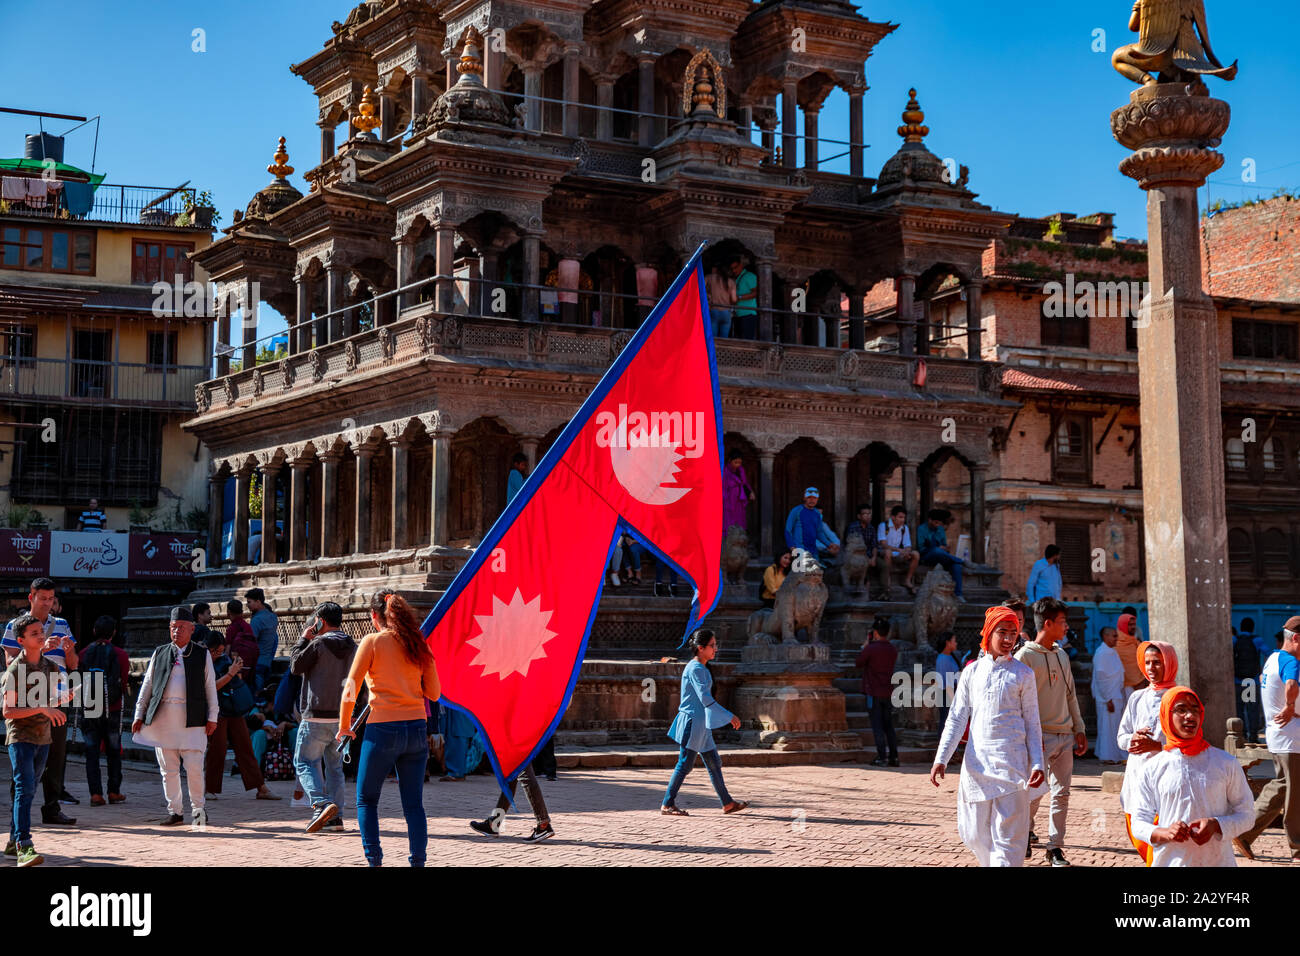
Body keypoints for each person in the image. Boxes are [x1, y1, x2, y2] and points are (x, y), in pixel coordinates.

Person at [931, 606, 1045, 867]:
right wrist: (942, 758)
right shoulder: (971, 672)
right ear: (988, 632)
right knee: (973, 832)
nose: (1008, 640)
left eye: (1013, 633)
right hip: (977, 766)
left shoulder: (1023, 674)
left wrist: (1037, 762)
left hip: (1013, 765)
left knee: (1009, 838)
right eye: (1002, 632)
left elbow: (1032, 722)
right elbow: (957, 717)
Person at [338, 589, 441, 867]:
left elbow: (351, 686)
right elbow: (433, 693)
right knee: (413, 805)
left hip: (382, 728)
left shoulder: (372, 641)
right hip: (416, 728)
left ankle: (375, 861)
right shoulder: (418, 643)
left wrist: (345, 725)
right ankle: (417, 861)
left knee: (367, 799)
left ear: (375, 616)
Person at [1130, 687, 1254, 867]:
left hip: (1218, 861)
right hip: (1170, 861)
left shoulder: (1225, 763)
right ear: (1166, 715)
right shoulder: (1153, 768)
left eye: (1195, 710)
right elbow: (1139, 822)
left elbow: (1247, 815)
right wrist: (1164, 832)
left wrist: (1217, 825)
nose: (1190, 716)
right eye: (1181, 710)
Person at [1015, 597, 1087, 866]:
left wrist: (1078, 728)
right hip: (1038, 737)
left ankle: (1055, 847)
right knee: (1035, 791)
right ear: (1048, 623)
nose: (1066, 627)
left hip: (1064, 735)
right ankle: (1023, 834)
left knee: (1062, 793)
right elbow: (1019, 703)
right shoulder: (1025, 657)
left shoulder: (1062, 655)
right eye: (1062, 622)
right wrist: (1027, 739)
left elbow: (1071, 695)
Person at [1, 576, 78, 826]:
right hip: (28, 698)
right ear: (31, 597)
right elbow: (10, 663)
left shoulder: (63, 624)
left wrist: (67, 651)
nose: (47, 603)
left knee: (56, 754)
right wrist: (41, 647)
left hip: (57, 696)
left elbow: (74, 664)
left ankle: (52, 807)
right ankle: (19, 813)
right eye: (42, 598)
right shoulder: (16, 625)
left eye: (51, 598)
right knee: (24, 753)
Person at [132, 606, 218, 828]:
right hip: (164, 718)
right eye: (173, 627)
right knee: (168, 769)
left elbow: (210, 687)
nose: (176, 631)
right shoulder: (160, 652)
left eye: (181, 627)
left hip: (193, 718)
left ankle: (198, 811)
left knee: (194, 768)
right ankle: (175, 812)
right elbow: (148, 685)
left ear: (191, 629)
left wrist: (213, 716)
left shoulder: (202, 654)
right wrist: (139, 714)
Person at [3, 614, 68, 867]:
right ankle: (24, 846)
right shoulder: (14, 670)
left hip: (43, 737)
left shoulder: (50, 667)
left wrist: (62, 700)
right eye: (34, 634)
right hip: (21, 737)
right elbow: (8, 711)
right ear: (21, 640)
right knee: (25, 789)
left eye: (41, 631)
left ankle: (11, 841)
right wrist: (44, 708)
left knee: (26, 791)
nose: (41, 636)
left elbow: (49, 702)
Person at [1233, 615, 1300, 863]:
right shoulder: (1291, 661)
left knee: (1282, 788)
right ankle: (1297, 849)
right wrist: (1291, 705)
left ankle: (1245, 832)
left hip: (1279, 736)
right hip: (1292, 738)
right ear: (1296, 638)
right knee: (1294, 797)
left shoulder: (1272, 659)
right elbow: (1291, 684)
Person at [660, 629, 748, 816]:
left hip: (701, 724)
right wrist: (729, 716)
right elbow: (706, 699)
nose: (715, 649)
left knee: (714, 762)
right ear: (701, 648)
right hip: (693, 723)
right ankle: (667, 804)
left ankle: (727, 803)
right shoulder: (696, 669)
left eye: (715, 645)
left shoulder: (700, 668)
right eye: (712, 645)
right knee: (685, 764)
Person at [290, 602, 356, 833]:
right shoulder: (353, 645)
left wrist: (303, 639)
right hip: (342, 716)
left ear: (320, 621)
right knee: (335, 768)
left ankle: (321, 803)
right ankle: (335, 819)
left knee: (305, 762)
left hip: (315, 715)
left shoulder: (318, 643)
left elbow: (296, 666)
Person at [1117, 639, 1179, 863]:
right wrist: (1132, 739)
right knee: (1138, 835)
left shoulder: (1179, 697)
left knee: (1159, 841)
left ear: (1169, 663)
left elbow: (1190, 743)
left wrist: (1157, 746)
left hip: (1165, 781)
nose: (1152, 668)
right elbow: (1121, 736)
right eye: (1148, 663)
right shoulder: (1137, 697)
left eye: (1158, 662)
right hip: (1136, 777)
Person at [202, 633, 279, 804]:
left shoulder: (224, 661)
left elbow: (236, 682)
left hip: (233, 708)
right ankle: (209, 788)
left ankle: (261, 787)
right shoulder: (202, 662)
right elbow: (210, 688)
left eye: (221, 651)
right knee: (218, 749)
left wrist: (236, 671)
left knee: (245, 747)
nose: (218, 655)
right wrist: (230, 674)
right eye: (215, 651)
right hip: (217, 711)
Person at [78, 615, 130, 806]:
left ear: (94, 632)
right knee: (114, 751)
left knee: (92, 752)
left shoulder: (83, 653)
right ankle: (114, 791)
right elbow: (123, 682)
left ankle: (95, 794)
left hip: (90, 707)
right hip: (113, 708)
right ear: (114, 633)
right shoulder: (121, 654)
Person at [469, 757, 555, 842]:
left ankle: (543, 824)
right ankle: (494, 822)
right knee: (511, 776)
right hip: (512, 743)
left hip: (515, 743)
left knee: (523, 772)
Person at [857, 617, 899, 767]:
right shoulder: (892, 649)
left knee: (877, 725)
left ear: (875, 632)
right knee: (888, 725)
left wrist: (865, 646)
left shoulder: (871, 649)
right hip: (887, 691)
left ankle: (882, 756)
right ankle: (894, 756)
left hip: (873, 692)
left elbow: (859, 662)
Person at [1091, 626, 1126, 764]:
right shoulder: (1102, 653)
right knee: (1107, 727)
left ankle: (1112, 754)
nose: (1116, 638)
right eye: (1113, 636)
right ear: (1105, 637)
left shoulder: (1111, 652)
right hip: (1108, 698)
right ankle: (1107, 756)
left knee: (1113, 727)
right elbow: (1101, 678)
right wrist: (1108, 699)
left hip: (1115, 695)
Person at [916, 509, 965, 602]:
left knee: (956, 566)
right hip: (927, 556)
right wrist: (938, 547)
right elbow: (921, 548)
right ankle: (962, 561)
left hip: (941, 556)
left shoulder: (940, 529)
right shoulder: (921, 529)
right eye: (935, 522)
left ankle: (958, 594)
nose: (937, 525)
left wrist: (945, 548)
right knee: (936, 550)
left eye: (939, 523)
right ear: (930, 520)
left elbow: (944, 545)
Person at [784, 488, 840, 562]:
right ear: (804, 498)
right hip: (799, 549)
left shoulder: (817, 514)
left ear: (817, 499)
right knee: (801, 572)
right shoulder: (797, 510)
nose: (812, 500)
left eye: (814, 498)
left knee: (814, 572)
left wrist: (829, 544)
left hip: (813, 550)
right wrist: (792, 546)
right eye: (809, 497)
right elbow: (788, 530)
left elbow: (819, 533)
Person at [877, 505, 919, 596]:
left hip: (898, 553)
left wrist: (906, 552)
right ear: (893, 517)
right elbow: (883, 544)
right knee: (888, 552)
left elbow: (907, 545)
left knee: (915, 554)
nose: (902, 520)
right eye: (900, 517)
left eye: (904, 517)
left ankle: (907, 580)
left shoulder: (904, 528)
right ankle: (887, 580)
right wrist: (899, 550)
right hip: (884, 552)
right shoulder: (883, 526)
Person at [1232, 621, 1263, 743]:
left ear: (1240, 627)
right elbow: (1268, 653)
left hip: (1238, 681)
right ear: (1253, 628)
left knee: (1240, 709)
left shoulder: (1235, 640)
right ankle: (1253, 736)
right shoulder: (1257, 640)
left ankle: (1242, 735)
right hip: (1250, 681)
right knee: (1252, 709)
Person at [245, 588, 279, 693]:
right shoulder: (273, 617)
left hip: (257, 663)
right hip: (267, 660)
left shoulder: (257, 620)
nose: (247, 605)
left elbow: (251, 643)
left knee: (255, 694)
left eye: (249, 602)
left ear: (258, 601)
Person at [224, 599, 259, 678]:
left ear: (228, 612)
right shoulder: (247, 626)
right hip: (250, 663)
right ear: (241, 612)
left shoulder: (231, 628)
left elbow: (227, 649)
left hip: (236, 665)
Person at [722, 450, 754, 537]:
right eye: (735, 462)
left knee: (740, 519)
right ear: (730, 460)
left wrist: (750, 491)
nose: (738, 465)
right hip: (728, 500)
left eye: (739, 463)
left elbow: (744, 483)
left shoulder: (741, 470)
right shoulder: (724, 471)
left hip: (739, 500)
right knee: (728, 519)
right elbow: (723, 487)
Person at [935, 631, 961, 731]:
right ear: (948, 643)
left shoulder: (950, 657)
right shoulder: (943, 659)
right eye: (954, 641)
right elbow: (946, 683)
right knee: (946, 723)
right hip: (946, 695)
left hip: (951, 694)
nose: (956, 643)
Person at [1115, 611, 1145, 698]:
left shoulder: (1136, 643)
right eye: (1130, 624)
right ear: (1123, 625)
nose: (1133, 627)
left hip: (1140, 685)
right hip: (1122, 688)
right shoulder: (1115, 646)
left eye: (1134, 624)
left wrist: (1142, 681)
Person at [705, 262, 736, 338]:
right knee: (724, 338)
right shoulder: (731, 282)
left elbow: (699, 289)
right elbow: (734, 299)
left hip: (714, 310)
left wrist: (708, 296)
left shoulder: (709, 278)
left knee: (713, 338)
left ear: (717, 269)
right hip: (726, 312)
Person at [729, 257, 758, 340]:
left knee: (746, 340)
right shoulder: (737, 278)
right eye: (732, 269)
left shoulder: (749, 276)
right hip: (738, 314)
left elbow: (756, 293)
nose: (734, 270)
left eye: (735, 267)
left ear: (741, 265)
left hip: (748, 314)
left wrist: (739, 298)